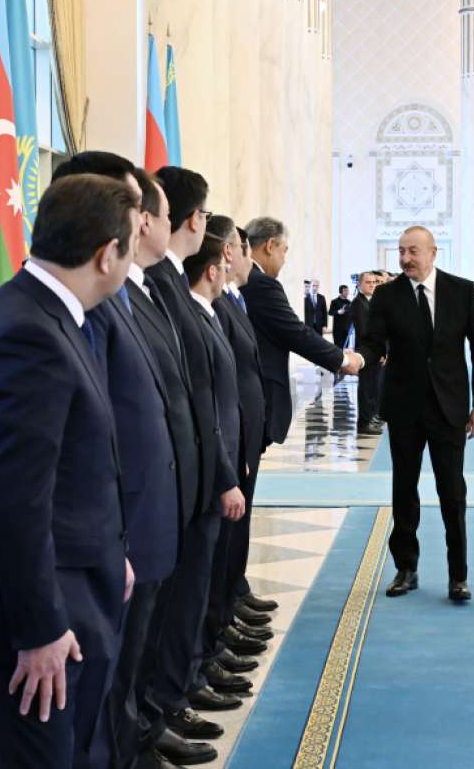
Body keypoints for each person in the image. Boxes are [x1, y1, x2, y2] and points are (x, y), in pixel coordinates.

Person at [0, 173, 135, 769]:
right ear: (107, 254)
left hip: (77, 581)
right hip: (47, 610)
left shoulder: (54, 316)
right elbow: (15, 498)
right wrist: (39, 628)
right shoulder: (28, 331)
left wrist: (112, 551)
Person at [54, 154, 184, 769]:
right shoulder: (82, 309)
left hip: (138, 515)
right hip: (108, 529)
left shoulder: (125, 296)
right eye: (132, 209)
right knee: (103, 683)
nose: (142, 222)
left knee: (127, 663)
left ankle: (133, 741)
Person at [144, 166, 248, 746]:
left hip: (200, 471)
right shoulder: (162, 287)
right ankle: (164, 705)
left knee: (185, 600)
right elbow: (190, 393)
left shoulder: (163, 284)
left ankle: (174, 693)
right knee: (172, 608)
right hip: (183, 479)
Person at [122, 169, 220, 768]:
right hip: (139, 506)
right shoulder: (133, 295)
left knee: (154, 628)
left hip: (177, 484)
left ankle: (150, 721)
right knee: (136, 643)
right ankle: (140, 732)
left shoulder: (156, 287)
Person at [352, 226, 474, 602]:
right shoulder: (387, 295)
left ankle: (458, 576)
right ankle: (406, 569)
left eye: (412, 251)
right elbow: (373, 342)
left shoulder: (462, 290)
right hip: (404, 409)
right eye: (401, 251)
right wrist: (359, 358)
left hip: (449, 409)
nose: (405, 259)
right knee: (404, 490)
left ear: (433, 252)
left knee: (453, 493)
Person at [205, 221, 271, 689]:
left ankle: (225, 616)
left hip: (238, 439)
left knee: (230, 540)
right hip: (222, 447)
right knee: (216, 550)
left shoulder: (230, 301)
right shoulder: (210, 306)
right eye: (244, 250)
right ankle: (214, 634)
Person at [240, 217, 357, 446]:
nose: (284, 260)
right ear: (270, 245)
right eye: (284, 251)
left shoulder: (249, 280)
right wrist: (342, 359)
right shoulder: (261, 283)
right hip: (258, 391)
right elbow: (295, 332)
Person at [349, 270, 385, 434]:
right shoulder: (358, 303)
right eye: (368, 282)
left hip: (374, 351)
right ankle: (364, 423)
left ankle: (370, 419)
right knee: (366, 388)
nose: (372, 285)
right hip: (366, 351)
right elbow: (365, 331)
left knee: (373, 387)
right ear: (359, 284)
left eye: (374, 282)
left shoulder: (372, 301)